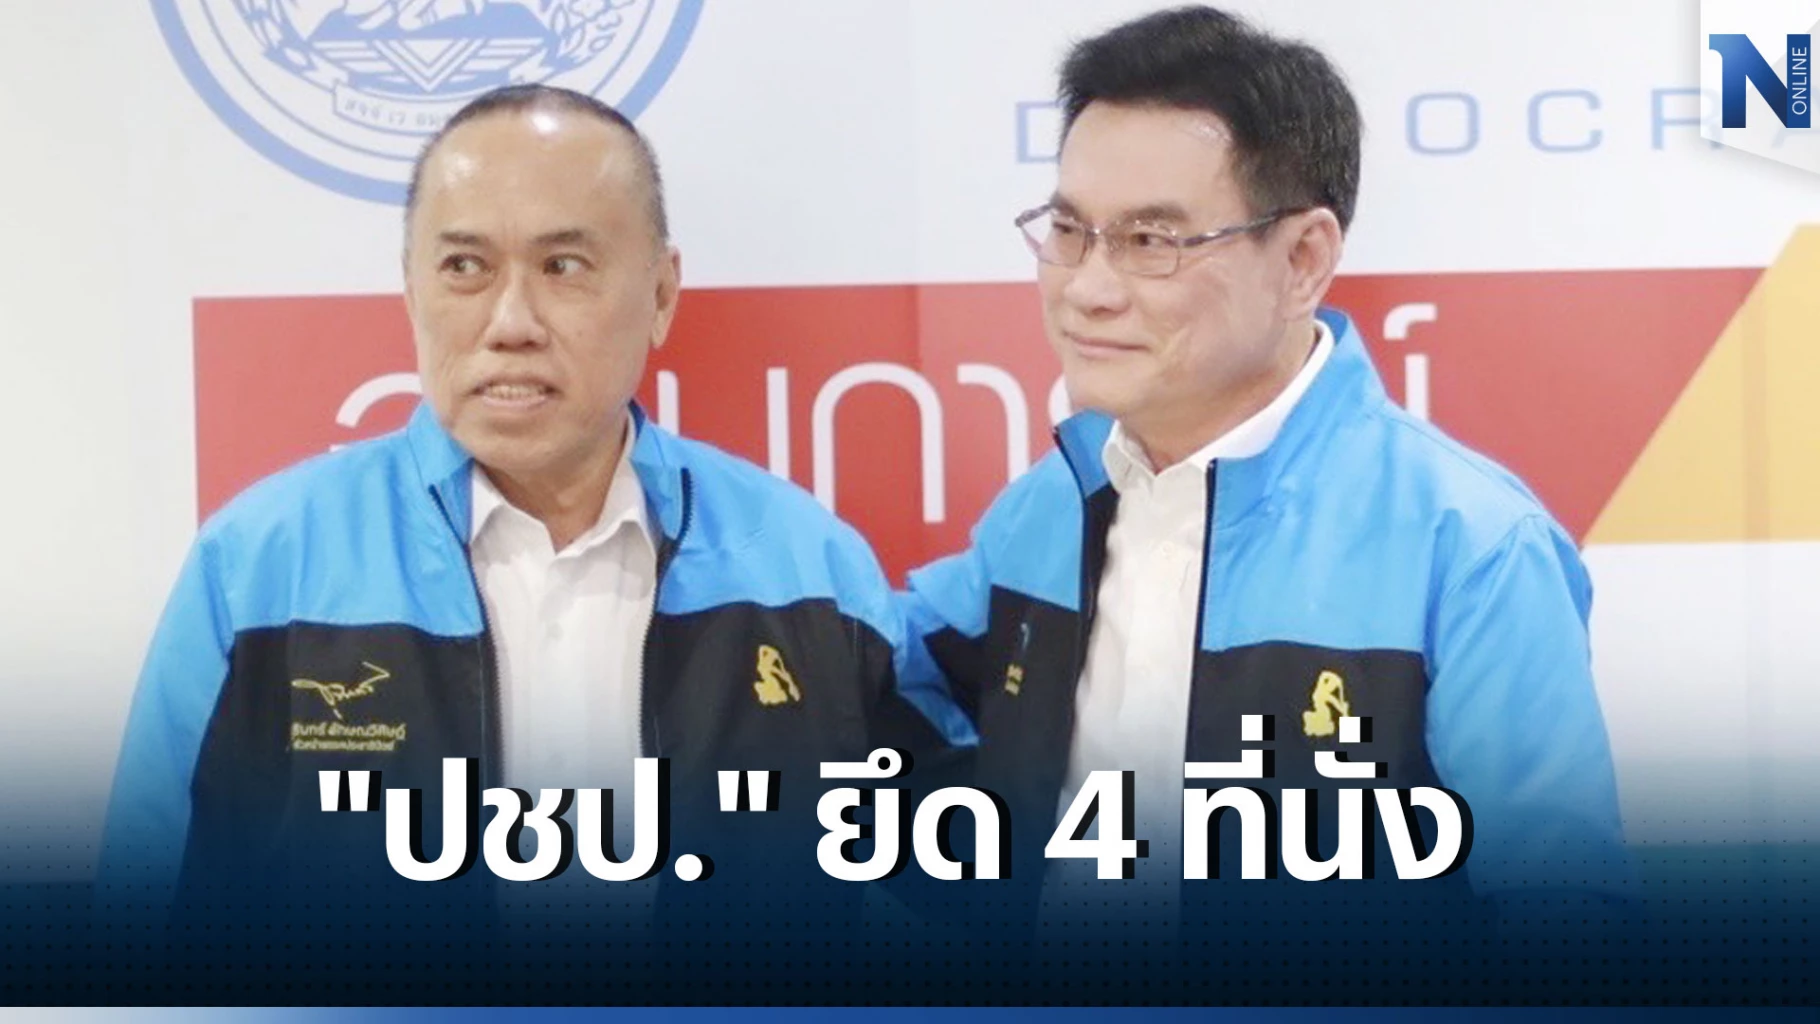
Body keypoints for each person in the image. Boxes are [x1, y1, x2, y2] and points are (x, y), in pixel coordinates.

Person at [98, 84, 958, 918]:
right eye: (465, 267)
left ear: (661, 295)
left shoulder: (808, 569)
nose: (511, 322)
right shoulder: (260, 571)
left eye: (563, 266)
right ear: (411, 290)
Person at [898, 6, 1630, 928]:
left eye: (1151, 241)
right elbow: (859, 684)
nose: (1087, 286)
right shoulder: (1045, 511)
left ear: (1302, 260)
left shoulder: (1470, 547)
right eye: (1071, 230)